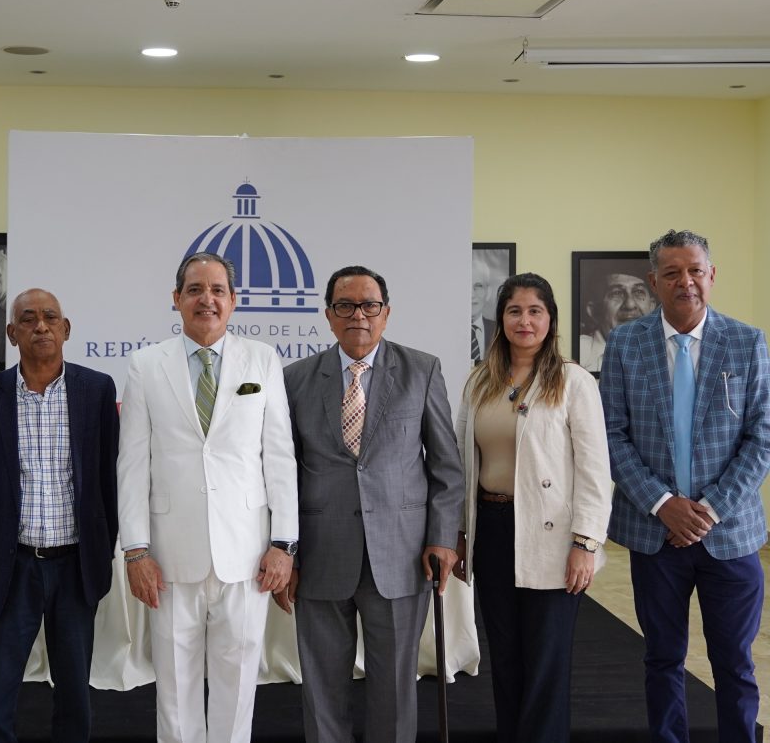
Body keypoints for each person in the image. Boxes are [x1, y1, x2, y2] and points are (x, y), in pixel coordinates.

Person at [275, 264, 464, 742]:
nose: (358, 314)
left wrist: (443, 538)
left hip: (401, 557)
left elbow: (446, 466)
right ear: (328, 315)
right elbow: (281, 474)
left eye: (369, 305)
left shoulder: (422, 370)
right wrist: (286, 552)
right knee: (321, 687)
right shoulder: (294, 378)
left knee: (395, 689)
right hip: (320, 555)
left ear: (386, 313)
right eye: (345, 305)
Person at [116, 252, 298, 743]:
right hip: (169, 556)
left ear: (234, 301)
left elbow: (279, 456)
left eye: (218, 290)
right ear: (176, 300)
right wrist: (135, 551)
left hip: (248, 555)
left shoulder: (261, 360)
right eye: (195, 290)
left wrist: (285, 543)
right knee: (174, 692)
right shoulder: (145, 365)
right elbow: (132, 464)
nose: (207, 300)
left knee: (238, 687)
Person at [600, 230, 769, 743]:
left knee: (735, 665)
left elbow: (762, 437)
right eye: (672, 272)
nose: (685, 281)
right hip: (656, 535)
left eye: (695, 270)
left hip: (731, 535)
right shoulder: (626, 344)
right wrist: (664, 504)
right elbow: (611, 435)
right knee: (663, 659)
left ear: (711, 276)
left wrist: (708, 510)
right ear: (655, 281)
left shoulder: (747, 341)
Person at [0, 288, 119, 742]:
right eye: (28, 319)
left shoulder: (97, 390)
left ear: (66, 330)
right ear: (11, 333)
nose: (40, 326)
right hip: (8, 566)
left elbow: (108, 481)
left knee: (73, 690)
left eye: (50, 318)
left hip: (75, 564)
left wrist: (102, 554)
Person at [453, 272, 612, 742]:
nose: (525, 320)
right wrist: (460, 532)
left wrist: (586, 542)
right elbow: (463, 466)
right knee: (506, 660)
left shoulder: (573, 382)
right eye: (514, 311)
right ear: (500, 320)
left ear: (551, 319)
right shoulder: (479, 380)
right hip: (494, 530)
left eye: (535, 310)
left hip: (553, 538)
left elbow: (593, 470)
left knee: (545, 664)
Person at [578, 263, 655, 372]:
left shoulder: (668, 349)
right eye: (617, 293)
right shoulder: (580, 354)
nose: (630, 305)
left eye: (638, 292)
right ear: (594, 311)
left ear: (652, 307)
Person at [471, 256, 496, 363]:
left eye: (478, 286)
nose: (471, 295)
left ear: (488, 292)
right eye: (466, 286)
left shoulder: (499, 330)